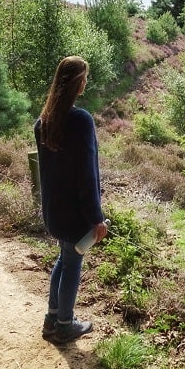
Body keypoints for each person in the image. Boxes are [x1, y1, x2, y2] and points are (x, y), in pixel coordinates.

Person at [34, 56, 108, 344]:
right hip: (76, 214)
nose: (86, 83)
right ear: (78, 82)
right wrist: (96, 218)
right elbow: (87, 176)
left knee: (64, 261)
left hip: (54, 212)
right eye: (85, 78)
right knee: (72, 263)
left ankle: (52, 319)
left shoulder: (43, 122)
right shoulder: (81, 121)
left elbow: (49, 173)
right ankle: (65, 324)